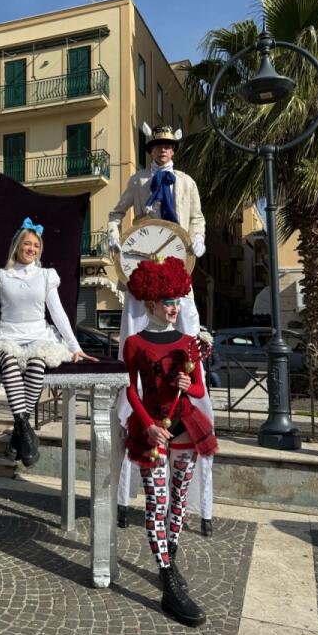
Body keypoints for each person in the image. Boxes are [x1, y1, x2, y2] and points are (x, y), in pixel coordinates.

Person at [108, 123, 215, 536]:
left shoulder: (186, 182)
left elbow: (197, 217)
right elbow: (116, 212)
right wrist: (114, 237)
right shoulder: (138, 181)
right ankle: (124, 490)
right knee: (135, 345)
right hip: (141, 267)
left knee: (185, 337)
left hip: (178, 265)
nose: (163, 151)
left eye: (168, 146)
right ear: (151, 149)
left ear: (174, 149)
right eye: (157, 146)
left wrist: (199, 239)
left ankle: (194, 496)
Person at [123, 256, 218, 627]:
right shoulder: (134, 343)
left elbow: (198, 389)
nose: (174, 308)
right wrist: (147, 425)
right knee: (156, 502)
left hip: (185, 428)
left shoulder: (189, 343)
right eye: (168, 302)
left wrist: (187, 384)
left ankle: (171, 558)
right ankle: (167, 580)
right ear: (151, 303)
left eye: (177, 301)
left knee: (178, 500)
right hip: (152, 431)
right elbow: (131, 390)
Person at [0, 218, 97, 466]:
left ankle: (18, 433)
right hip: (7, 335)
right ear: (17, 245)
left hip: (39, 336)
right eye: (27, 244)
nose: (32, 248)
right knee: (8, 359)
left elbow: (58, 312)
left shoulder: (46, 275)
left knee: (37, 361)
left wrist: (75, 346)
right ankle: (26, 430)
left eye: (36, 245)